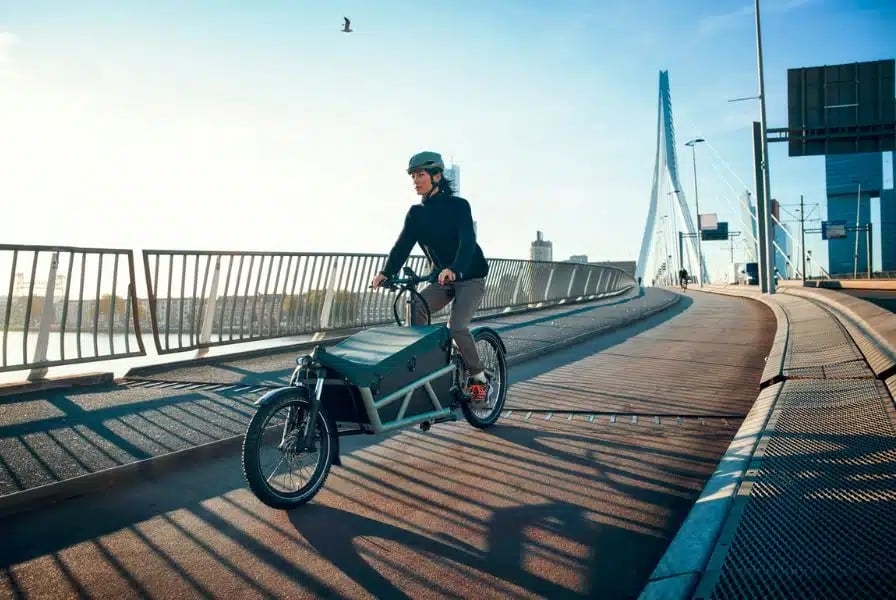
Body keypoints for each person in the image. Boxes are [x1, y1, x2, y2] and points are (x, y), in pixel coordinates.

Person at [370, 151, 491, 403]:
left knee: (456, 326)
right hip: (442, 279)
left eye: (420, 175)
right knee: (415, 305)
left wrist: (456, 268)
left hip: (470, 275)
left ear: (437, 176)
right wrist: (386, 272)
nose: (416, 180)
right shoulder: (416, 213)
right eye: (413, 176)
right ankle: (427, 368)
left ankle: (479, 377)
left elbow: (468, 242)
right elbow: (402, 246)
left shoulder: (458, 206)